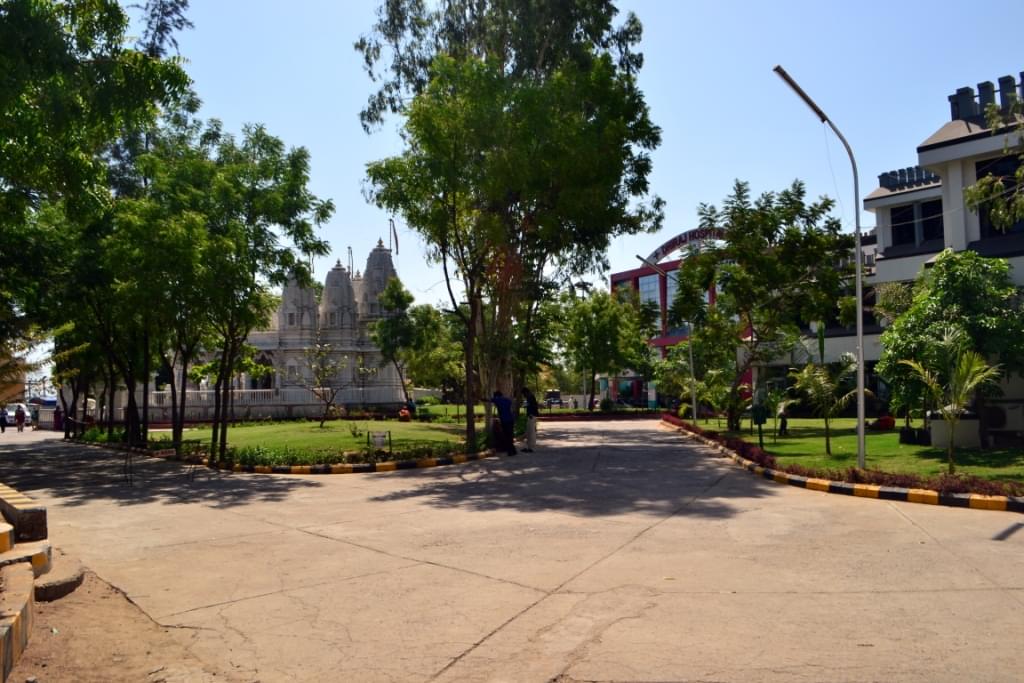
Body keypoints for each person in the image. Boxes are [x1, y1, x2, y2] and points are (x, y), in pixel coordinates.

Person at [490, 390, 516, 456]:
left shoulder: (497, 399)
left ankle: (510, 451)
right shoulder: (507, 400)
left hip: (504, 420)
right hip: (511, 419)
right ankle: (513, 450)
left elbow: (488, 400)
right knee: (510, 435)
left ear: (496, 396)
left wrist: (479, 398)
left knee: (506, 436)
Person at [522, 387, 539, 453]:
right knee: (528, 432)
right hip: (531, 415)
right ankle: (528, 447)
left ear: (526, 392)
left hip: (532, 416)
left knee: (531, 432)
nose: (524, 396)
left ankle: (531, 447)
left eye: (524, 394)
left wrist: (531, 414)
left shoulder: (530, 397)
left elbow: (533, 406)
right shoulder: (530, 397)